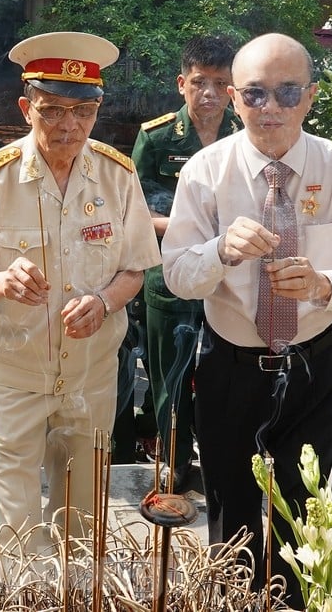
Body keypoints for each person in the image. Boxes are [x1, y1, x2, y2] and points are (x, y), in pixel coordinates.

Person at [162, 33, 332, 608]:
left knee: (302, 507)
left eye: (287, 92)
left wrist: (323, 285)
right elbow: (177, 276)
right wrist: (221, 251)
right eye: (256, 94)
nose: (271, 109)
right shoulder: (206, 171)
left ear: (310, 96)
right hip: (230, 364)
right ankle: (232, 600)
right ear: (234, 98)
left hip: (312, 363)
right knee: (230, 506)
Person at [0, 31, 161, 547]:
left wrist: (103, 302)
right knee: (14, 519)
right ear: (25, 107)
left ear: (97, 111)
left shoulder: (118, 176)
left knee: (83, 520)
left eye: (83, 111)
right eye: (53, 109)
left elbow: (135, 269)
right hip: (13, 376)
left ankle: (76, 594)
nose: (69, 125)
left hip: (90, 374)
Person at [128, 34, 240, 489]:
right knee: (169, 374)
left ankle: (217, 457)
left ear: (233, 88)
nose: (209, 93)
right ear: (181, 84)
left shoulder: (246, 135)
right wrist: (184, 231)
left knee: (222, 373)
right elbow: (133, 210)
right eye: (199, 82)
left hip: (231, 277)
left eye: (219, 82)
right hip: (169, 275)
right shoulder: (155, 139)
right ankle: (175, 459)